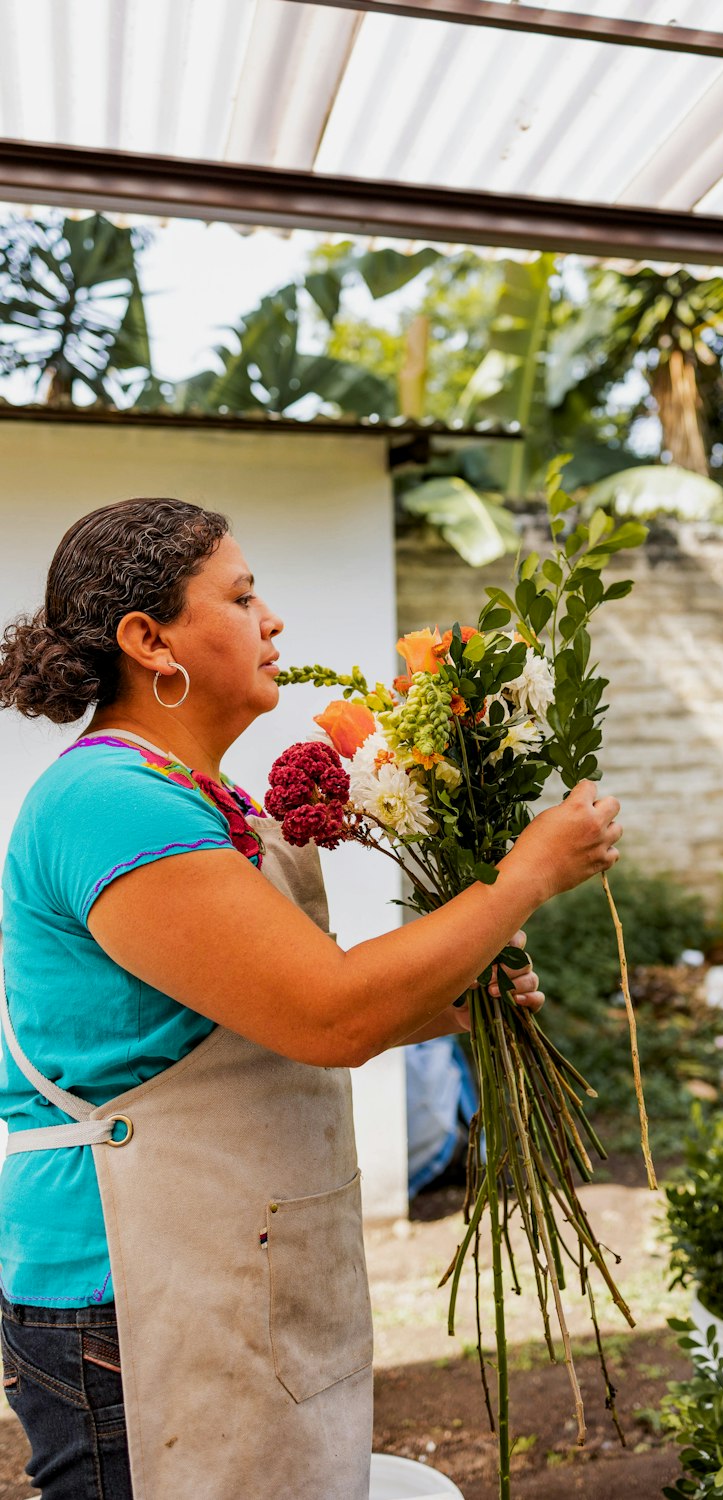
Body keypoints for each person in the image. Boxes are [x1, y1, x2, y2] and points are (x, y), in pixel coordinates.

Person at [0, 497, 622, 1500]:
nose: (272, 620)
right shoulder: (109, 801)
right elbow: (329, 1017)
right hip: (132, 1286)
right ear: (147, 639)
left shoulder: (217, 804)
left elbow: (258, 1031)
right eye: (242, 596)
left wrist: (456, 1004)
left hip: (225, 1263)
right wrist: (519, 879)